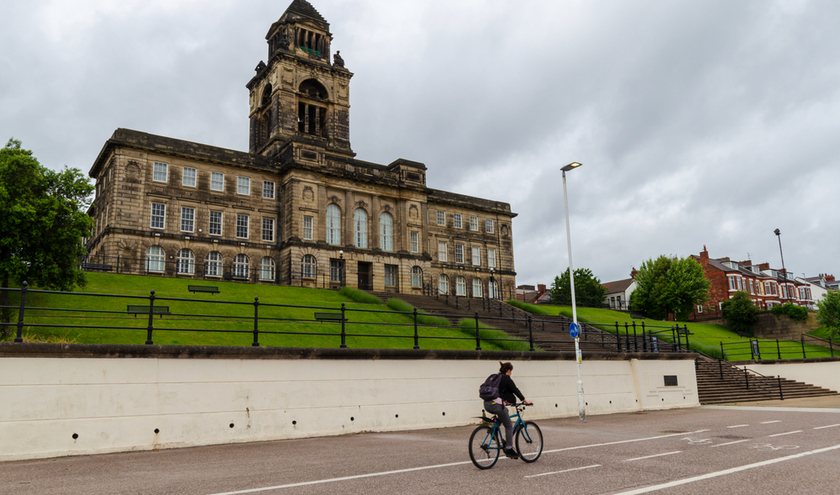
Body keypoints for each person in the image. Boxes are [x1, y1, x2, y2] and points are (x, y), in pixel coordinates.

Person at [483, 362, 532, 459]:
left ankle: (494, 430)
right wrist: (525, 400)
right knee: (509, 425)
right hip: (496, 405)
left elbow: (498, 392)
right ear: (509, 371)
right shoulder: (506, 378)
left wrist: (504, 400)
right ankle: (509, 449)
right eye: (511, 372)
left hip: (487, 404)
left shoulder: (495, 377)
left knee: (504, 412)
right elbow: (515, 390)